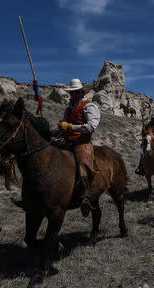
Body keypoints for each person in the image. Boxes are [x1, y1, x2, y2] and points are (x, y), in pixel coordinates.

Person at [57, 78, 100, 217]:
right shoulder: (69, 108)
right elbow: (65, 125)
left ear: (81, 92)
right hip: (67, 139)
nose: (71, 95)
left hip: (82, 141)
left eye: (74, 92)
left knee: (83, 164)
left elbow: (92, 126)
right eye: (71, 92)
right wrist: (60, 128)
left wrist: (70, 127)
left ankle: (86, 195)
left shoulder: (89, 106)